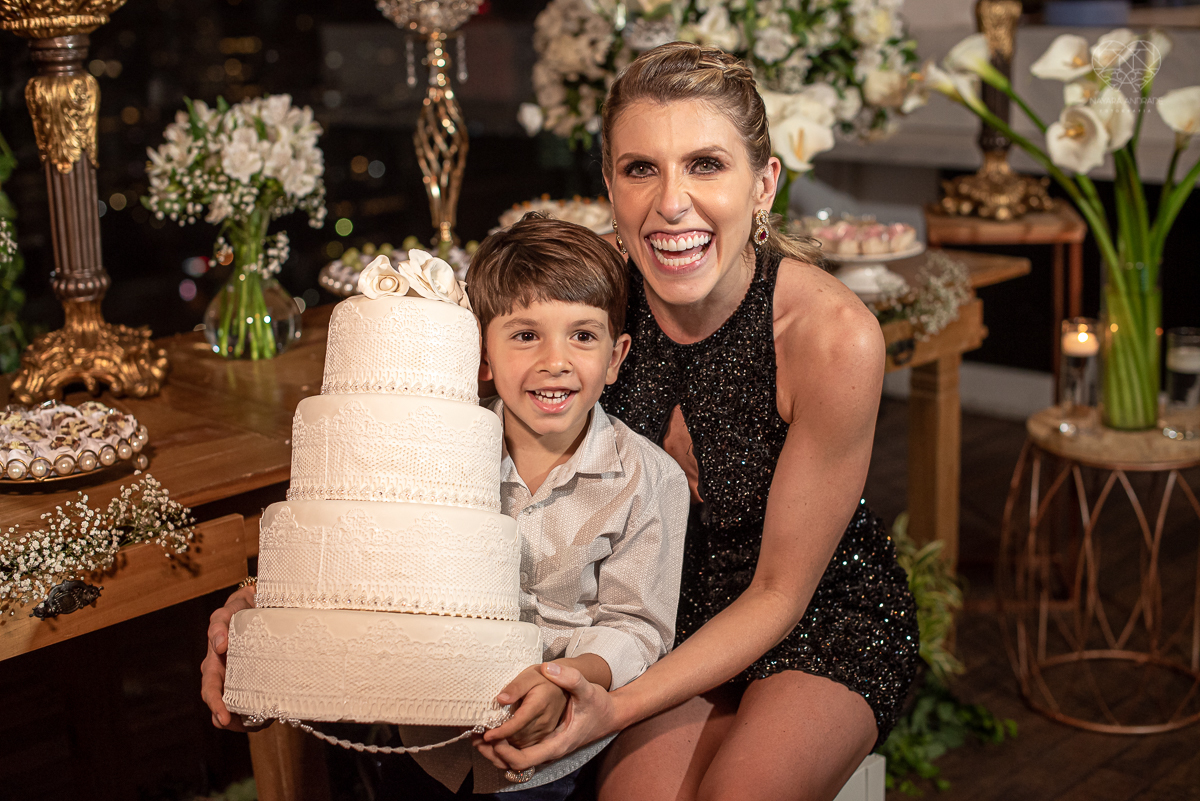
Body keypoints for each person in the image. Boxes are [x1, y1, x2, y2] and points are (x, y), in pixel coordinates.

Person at [473, 43, 920, 801]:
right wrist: (259, 607)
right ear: (609, 187)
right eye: (641, 168)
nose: (671, 202)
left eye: (706, 164)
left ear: (763, 184)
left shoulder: (832, 335)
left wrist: (613, 705)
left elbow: (780, 592)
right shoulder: (589, 302)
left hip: (812, 611)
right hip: (654, 609)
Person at [200, 214, 690, 799]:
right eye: (525, 335)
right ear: (482, 356)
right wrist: (263, 615)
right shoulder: (429, 449)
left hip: (552, 758)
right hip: (423, 745)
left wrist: (568, 680)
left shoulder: (647, 478)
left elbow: (635, 626)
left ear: (615, 357)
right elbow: (359, 548)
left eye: (583, 335)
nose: (555, 360)